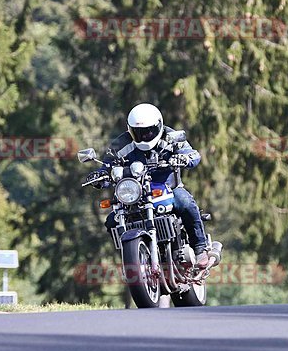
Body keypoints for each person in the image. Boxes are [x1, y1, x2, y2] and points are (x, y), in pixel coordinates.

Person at [86, 103, 212, 269]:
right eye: (137, 132)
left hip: (169, 189)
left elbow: (192, 154)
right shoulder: (120, 144)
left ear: (159, 126)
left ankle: (200, 248)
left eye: (148, 131)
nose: (144, 136)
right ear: (130, 130)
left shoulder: (171, 136)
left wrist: (184, 158)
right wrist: (100, 176)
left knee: (185, 202)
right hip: (135, 193)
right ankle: (133, 258)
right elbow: (107, 166)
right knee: (111, 220)